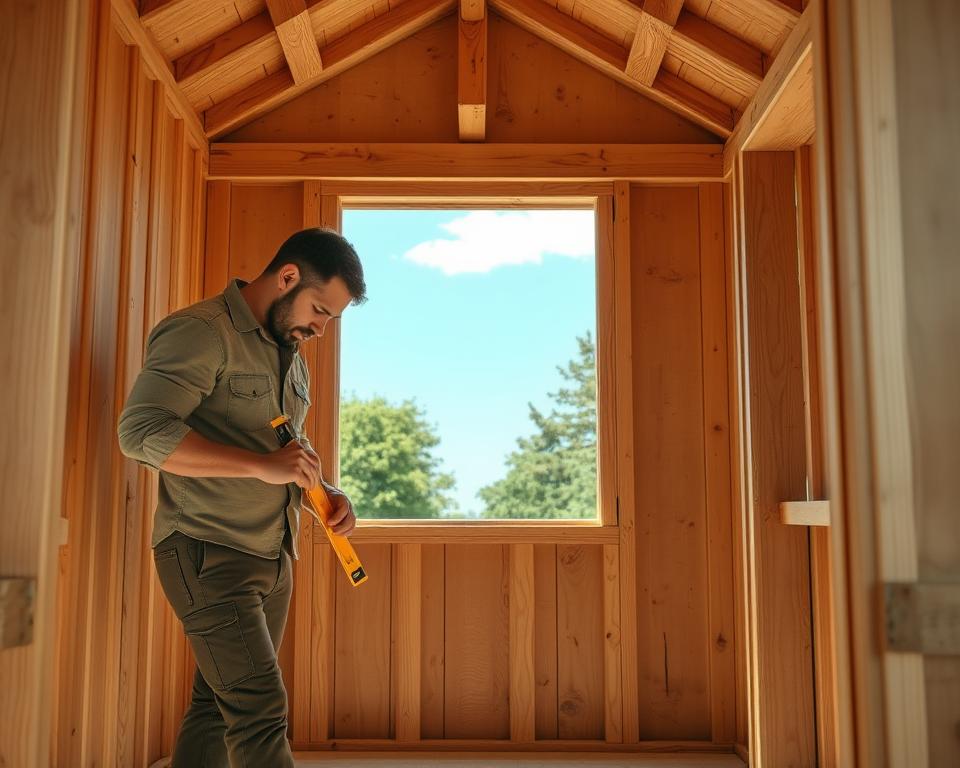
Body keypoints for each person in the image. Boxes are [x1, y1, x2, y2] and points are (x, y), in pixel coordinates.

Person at [118, 227, 367, 767]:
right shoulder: (199, 332)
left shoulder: (290, 354)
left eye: (331, 319)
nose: (321, 329)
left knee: (217, 704)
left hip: (273, 558)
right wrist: (262, 466)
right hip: (207, 550)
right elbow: (140, 432)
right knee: (259, 707)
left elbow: (282, 454)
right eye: (320, 311)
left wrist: (322, 495)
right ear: (287, 277)